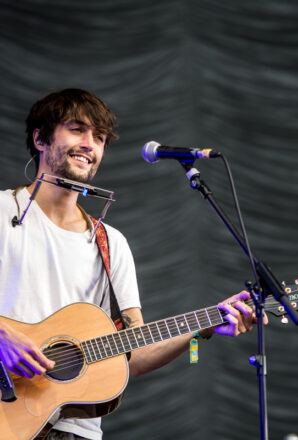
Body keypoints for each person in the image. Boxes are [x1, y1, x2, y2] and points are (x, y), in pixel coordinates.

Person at [0, 88, 266, 440]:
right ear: (40, 138)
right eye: (77, 129)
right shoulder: (3, 212)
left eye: (100, 138)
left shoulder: (111, 243)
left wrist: (205, 327)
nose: (90, 145)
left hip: (75, 431)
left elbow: (133, 354)